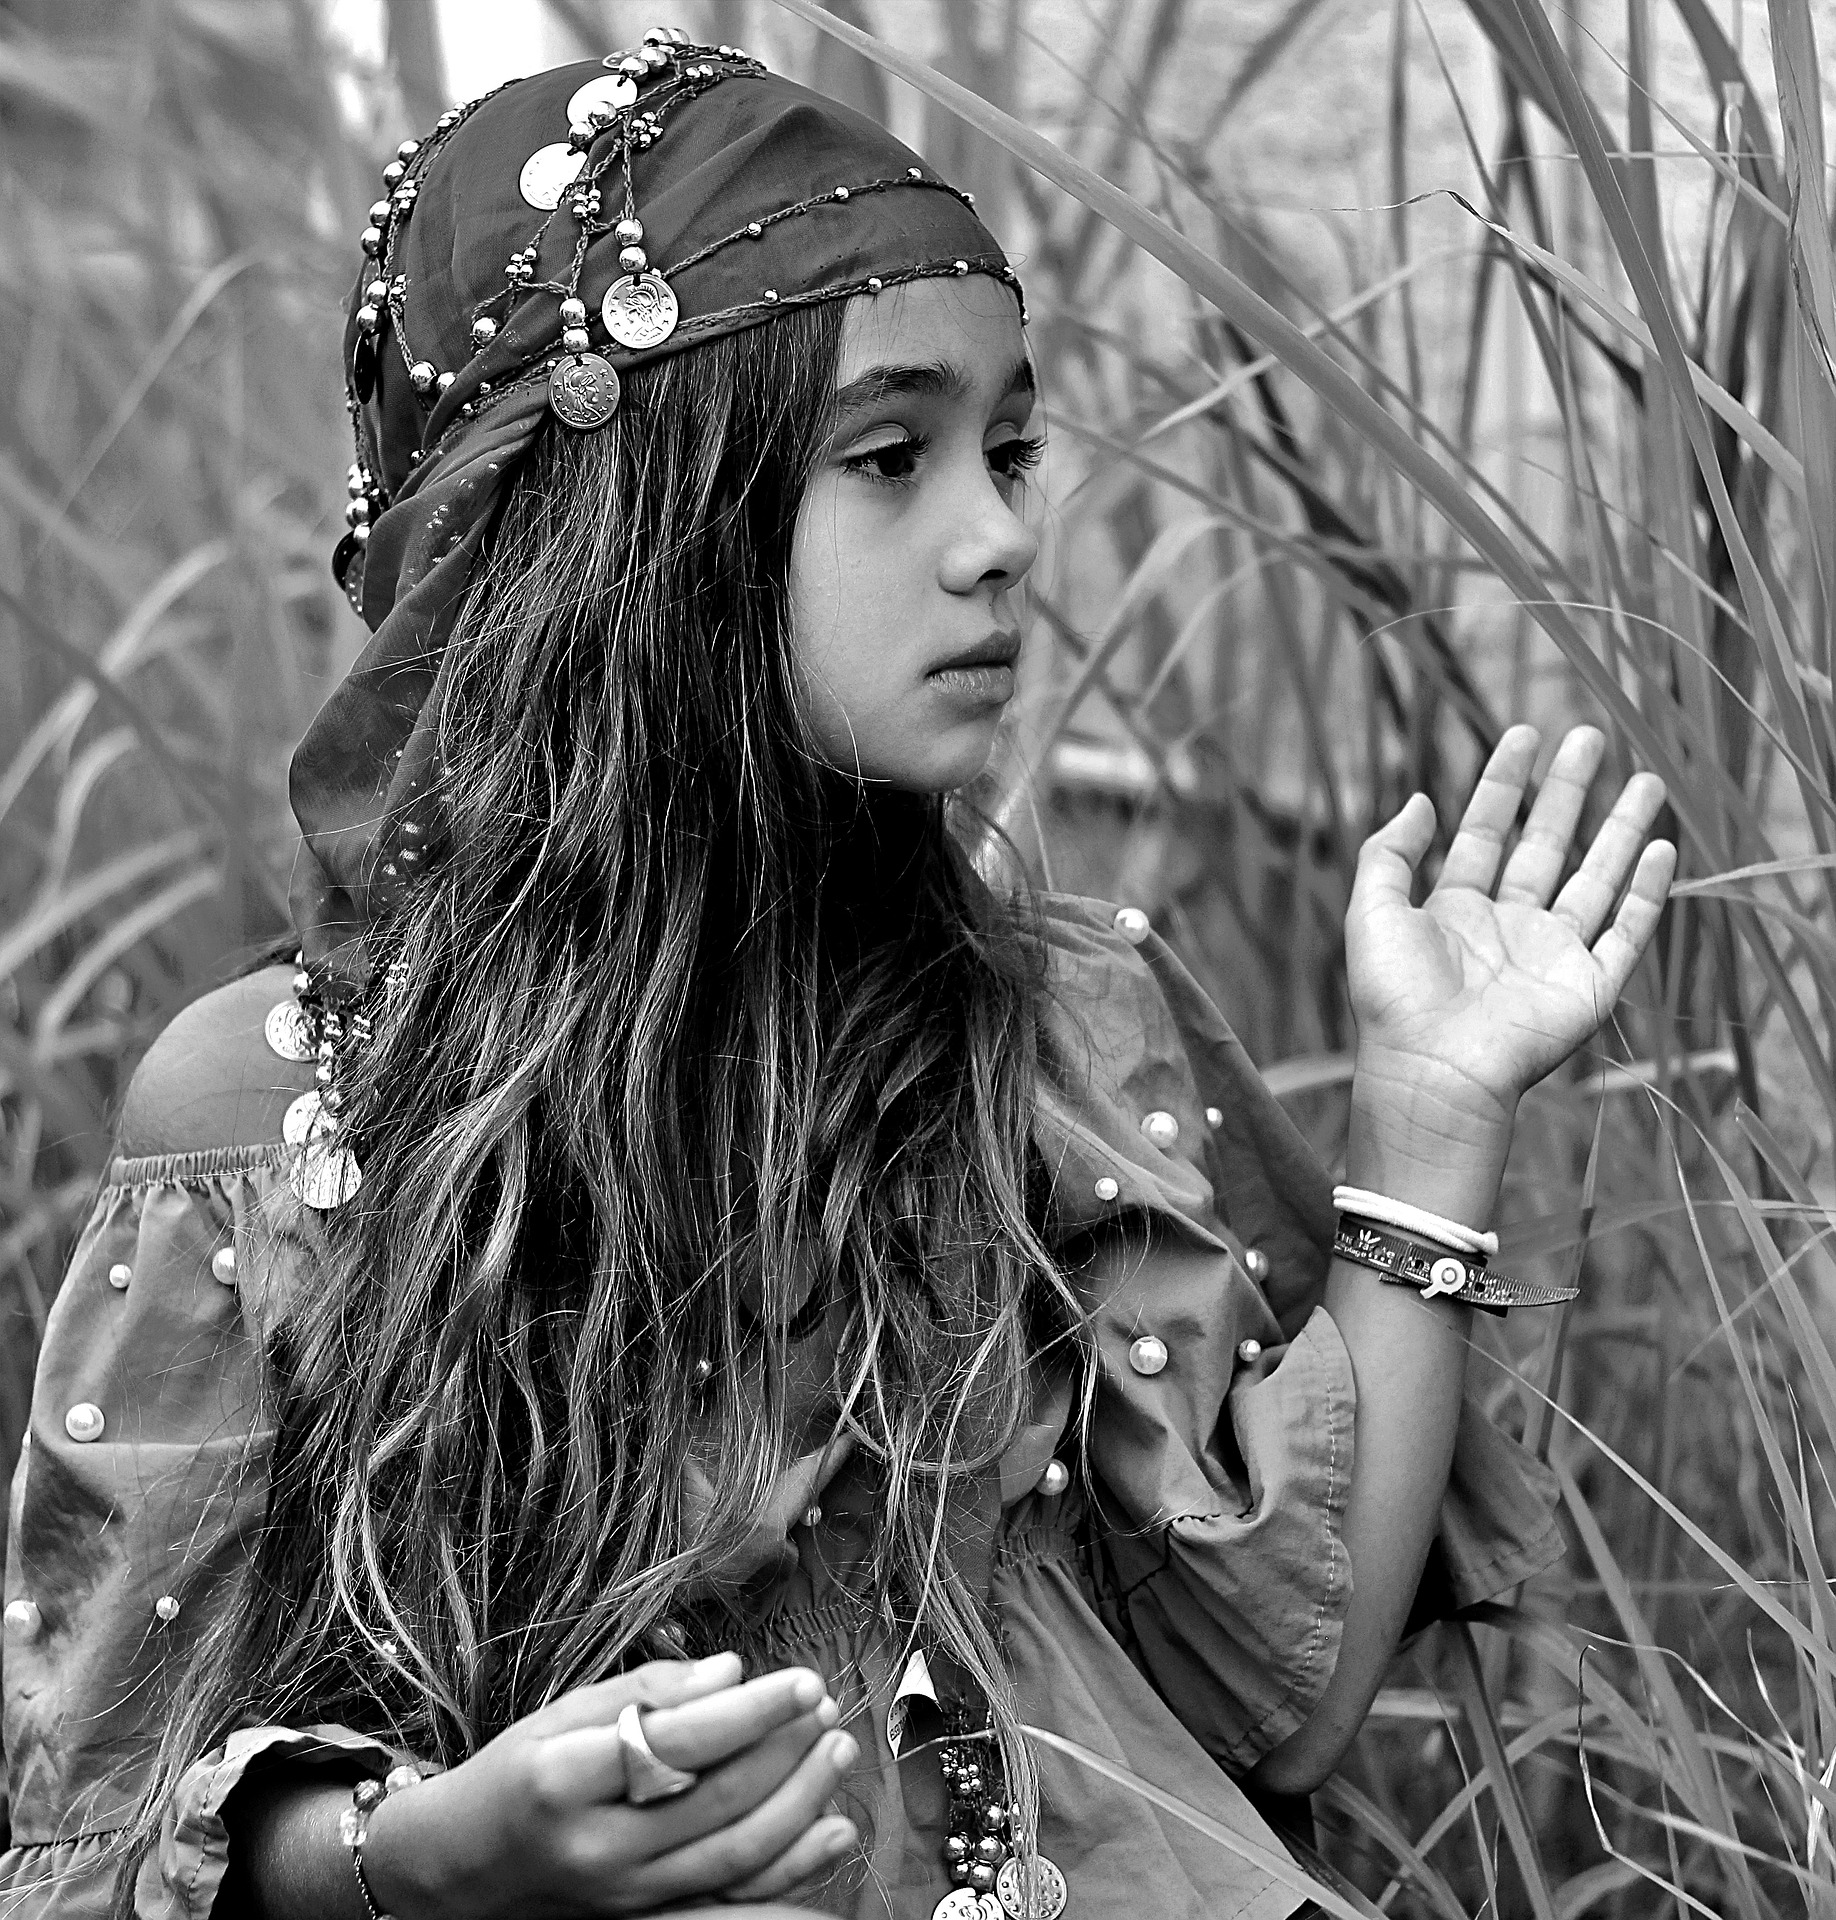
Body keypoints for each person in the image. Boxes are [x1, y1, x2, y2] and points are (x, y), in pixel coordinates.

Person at [0, 30, 1675, 1920]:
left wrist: (1433, 1124)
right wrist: (431, 1857)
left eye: (1011, 447)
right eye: (893, 456)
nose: (1002, 537)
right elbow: (105, 1840)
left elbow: (1267, 1699)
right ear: (622, 542)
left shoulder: (1035, 1029)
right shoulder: (288, 1114)